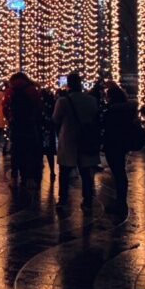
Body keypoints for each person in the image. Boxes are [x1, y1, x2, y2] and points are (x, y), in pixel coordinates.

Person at [53, 72, 100, 211]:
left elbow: (55, 119)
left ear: (68, 84)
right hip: (86, 138)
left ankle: (63, 200)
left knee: (65, 172)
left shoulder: (63, 101)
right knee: (86, 173)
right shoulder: (91, 100)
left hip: (68, 138)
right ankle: (87, 202)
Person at [102, 82, 138, 216]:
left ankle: (120, 202)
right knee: (120, 172)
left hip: (113, 143)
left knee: (118, 172)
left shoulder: (112, 111)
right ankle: (121, 200)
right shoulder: (128, 110)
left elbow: (106, 126)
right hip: (123, 143)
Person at [4, 73, 43, 186]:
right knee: (30, 151)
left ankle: (14, 177)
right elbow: (39, 106)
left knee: (16, 151)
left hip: (16, 124)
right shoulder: (32, 89)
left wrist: (10, 119)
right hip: (30, 124)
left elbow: (5, 106)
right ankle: (29, 178)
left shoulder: (10, 90)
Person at [40, 88, 57, 181]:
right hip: (49, 130)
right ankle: (52, 171)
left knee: (40, 150)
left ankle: (40, 167)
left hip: (42, 130)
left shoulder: (40, 106)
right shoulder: (51, 107)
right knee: (49, 152)